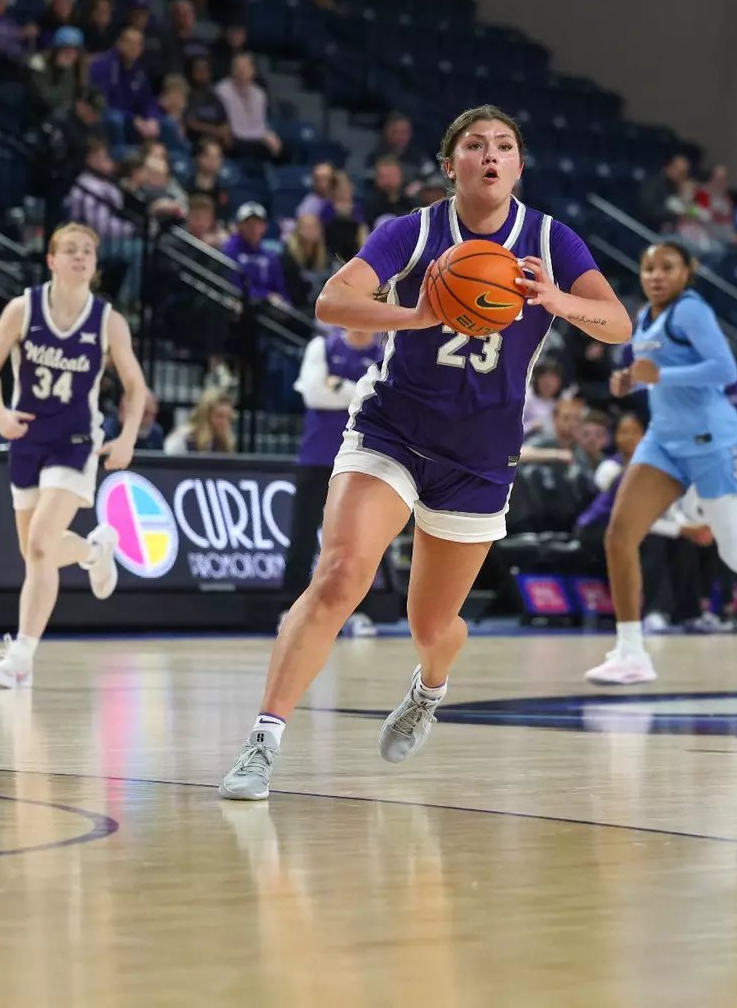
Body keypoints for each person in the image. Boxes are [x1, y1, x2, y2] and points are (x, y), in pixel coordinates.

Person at [217, 104, 631, 799]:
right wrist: (417, 312)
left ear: (519, 165)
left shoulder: (552, 240)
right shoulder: (413, 233)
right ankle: (263, 740)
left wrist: (557, 299)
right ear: (451, 165)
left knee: (431, 624)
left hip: (480, 451)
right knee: (341, 575)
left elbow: (617, 322)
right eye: (475, 145)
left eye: (504, 145)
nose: (491, 155)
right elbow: (331, 301)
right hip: (394, 427)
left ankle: (428, 689)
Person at [586, 239, 737, 686]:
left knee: (736, 550)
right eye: (648, 268)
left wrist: (661, 375)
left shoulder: (692, 311)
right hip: (664, 440)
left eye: (667, 267)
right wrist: (630, 382)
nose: (655, 275)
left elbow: (725, 370)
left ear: (688, 271)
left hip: (716, 442)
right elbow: (654, 377)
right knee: (619, 536)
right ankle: (631, 651)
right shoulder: (644, 316)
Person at [0, 224, 147, 689]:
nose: (79, 256)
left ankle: (21, 659)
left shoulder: (108, 320)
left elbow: (135, 386)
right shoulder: (23, 309)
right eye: (69, 250)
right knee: (35, 551)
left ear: (94, 263)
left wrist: (128, 436)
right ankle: (95, 548)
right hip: (27, 437)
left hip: (74, 439)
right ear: (51, 260)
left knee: (38, 545)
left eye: (87, 251)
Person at [576, 410, 710, 633]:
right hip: (596, 528)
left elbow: (667, 510)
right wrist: (682, 529)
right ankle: (654, 613)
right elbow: (637, 522)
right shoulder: (629, 473)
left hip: (632, 528)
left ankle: (689, 614)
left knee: (683, 544)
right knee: (651, 540)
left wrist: (688, 530)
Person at [282, 326, 383, 614]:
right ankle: (290, 606)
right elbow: (313, 396)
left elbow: (381, 403)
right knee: (302, 533)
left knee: (359, 540)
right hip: (316, 456)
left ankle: (357, 611)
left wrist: (338, 385)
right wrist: (358, 394)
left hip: (361, 458)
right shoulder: (321, 347)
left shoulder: (383, 354)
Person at [164, 387, 235, 454]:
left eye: (228, 417)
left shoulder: (225, 442)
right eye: (219, 416)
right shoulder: (183, 438)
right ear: (205, 415)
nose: (225, 422)